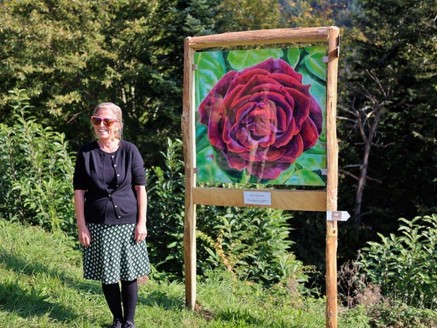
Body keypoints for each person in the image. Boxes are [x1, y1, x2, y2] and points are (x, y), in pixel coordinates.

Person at [73, 102, 150, 328]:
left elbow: (140, 189)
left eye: (107, 121)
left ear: (117, 124)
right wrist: (82, 226)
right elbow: (79, 192)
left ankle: (129, 322)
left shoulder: (130, 150)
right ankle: (116, 320)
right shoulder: (86, 153)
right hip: (98, 223)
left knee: (129, 274)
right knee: (108, 275)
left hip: (128, 223)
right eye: (97, 120)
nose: (101, 125)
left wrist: (142, 222)